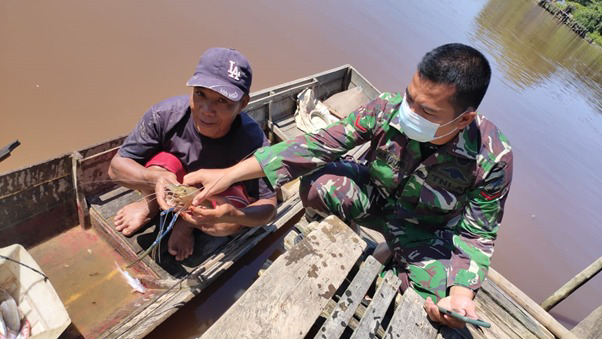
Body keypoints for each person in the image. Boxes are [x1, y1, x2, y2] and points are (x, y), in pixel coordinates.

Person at [183, 43, 513, 328]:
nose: (408, 112)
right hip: (376, 197)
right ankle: (361, 240)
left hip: (424, 229)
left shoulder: (493, 157)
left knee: (427, 299)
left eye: (425, 110)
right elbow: (316, 145)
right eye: (410, 97)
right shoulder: (387, 108)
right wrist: (227, 175)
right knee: (317, 185)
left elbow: (477, 234)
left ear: (465, 119)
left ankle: (389, 253)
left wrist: (459, 296)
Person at [108, 47, 277, 261]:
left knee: (226, 223)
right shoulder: (165, 114)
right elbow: (116, 168)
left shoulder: (254, 142)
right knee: (159, 166)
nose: (207, 109)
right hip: (172, 183)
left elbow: (269, 209)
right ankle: (152, 204)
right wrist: (155, 178)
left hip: (214, 197)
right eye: (200, 94)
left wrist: (236, 215)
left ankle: (186, 225)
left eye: (222, 101)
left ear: (243, 103)